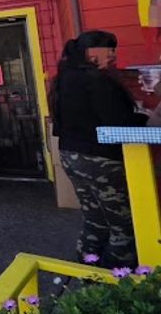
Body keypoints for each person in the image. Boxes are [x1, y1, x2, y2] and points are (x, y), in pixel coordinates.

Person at [50, 30, 146, 267]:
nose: (113, 55)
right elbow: (119, 121)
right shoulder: (97, 80)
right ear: (91, 52)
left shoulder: (64, 77)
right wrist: (146, 118)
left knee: (95, 220)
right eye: (110, 49)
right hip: (101, 159)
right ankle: (118, 283)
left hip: (71, 155)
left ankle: (87, 275)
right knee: (124, 226)